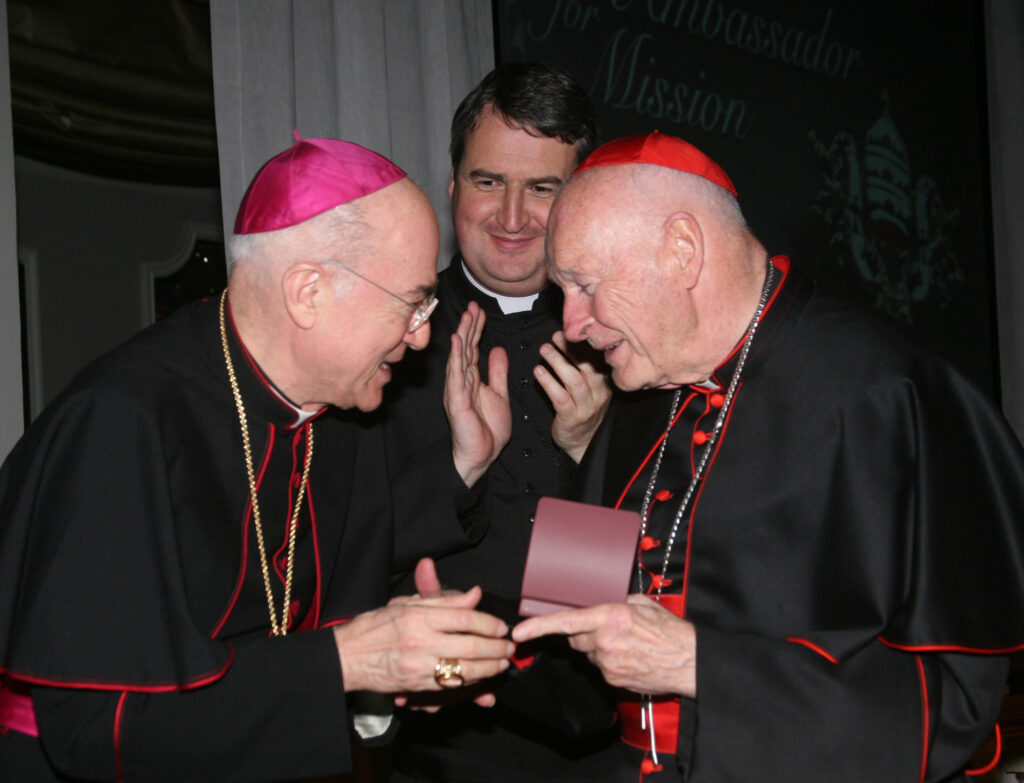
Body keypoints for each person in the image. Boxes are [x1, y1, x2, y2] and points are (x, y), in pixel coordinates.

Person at [0, 136, 518, 782]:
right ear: (307, 292)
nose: (420, 336)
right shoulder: (120, 420)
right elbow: (92, 732)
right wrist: (348, 662)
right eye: (412, 302)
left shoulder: (335, 412)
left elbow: (347, 573)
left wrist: (392, 677)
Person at [512, 131, 1024, 782]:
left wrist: (699, 664)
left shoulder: (889, 392)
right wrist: (463, 658)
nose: (573, 324)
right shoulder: (633, 395)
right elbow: (559, 639)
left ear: (682, 251)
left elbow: (955, 708)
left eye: (584, 284)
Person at [383, 63, 619, 782]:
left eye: (543, 188)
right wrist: (461, 468)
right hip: (445, 741)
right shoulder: (386, 337)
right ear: (452, 187)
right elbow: (348, 552)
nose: (512, 217)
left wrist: (589, 456)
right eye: (489, 182)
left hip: (613, 741)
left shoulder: (627, 336)